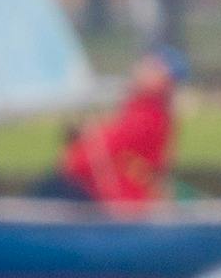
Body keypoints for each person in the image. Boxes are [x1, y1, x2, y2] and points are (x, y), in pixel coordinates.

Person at [59, 54, 177, 209]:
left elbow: (94, 156)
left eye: (152, 69)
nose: (140, 71)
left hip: (120, 202)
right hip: (116, 197)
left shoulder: (148, 118)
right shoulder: (139, 112)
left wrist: (79, 148)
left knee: (51, 189)